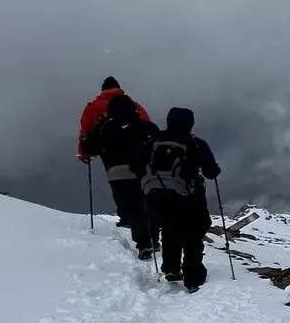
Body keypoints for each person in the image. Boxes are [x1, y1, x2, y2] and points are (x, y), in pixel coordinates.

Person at [135, 107, 221, 293]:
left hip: (156, 194)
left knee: (169, 228)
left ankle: (171, 268)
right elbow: (210, 172)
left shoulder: (153, 141)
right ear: (190, 124)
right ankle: (193, 277)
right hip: (189, 196)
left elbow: (136, 166)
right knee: (193, 231)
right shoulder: (196, 143)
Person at [79, 93, 160, 259]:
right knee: (147, 205)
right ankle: (152, 240)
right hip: (144, 172)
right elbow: (158, 143)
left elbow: (88, 147)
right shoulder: (146, 126)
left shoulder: (105, 127)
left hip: (116, 173)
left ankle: (144, 243)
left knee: (133, 208)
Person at [77, 76, 152, 226]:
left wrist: (83, 151)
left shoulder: (94, 106)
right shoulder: (134, 106)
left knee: (117, 180)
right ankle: (142, 216)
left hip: (110, 151)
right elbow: (147, 124)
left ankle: (125, 215)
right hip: (136, 149)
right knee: (138, 182)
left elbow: (86, 129)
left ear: (103, 90)